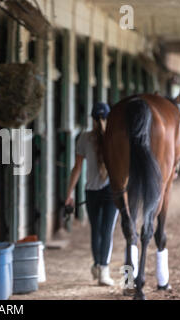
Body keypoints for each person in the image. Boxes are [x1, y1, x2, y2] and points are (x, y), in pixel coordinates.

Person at [65, 102, 118, 286]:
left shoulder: (84, 138)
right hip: (111, 190)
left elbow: (77, 168)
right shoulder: (115, 137)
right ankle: (103, 270)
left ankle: (98, 265)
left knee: (96, 230)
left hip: (91, 191)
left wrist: (69, 194)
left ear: (92, 119)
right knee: (107, 231)